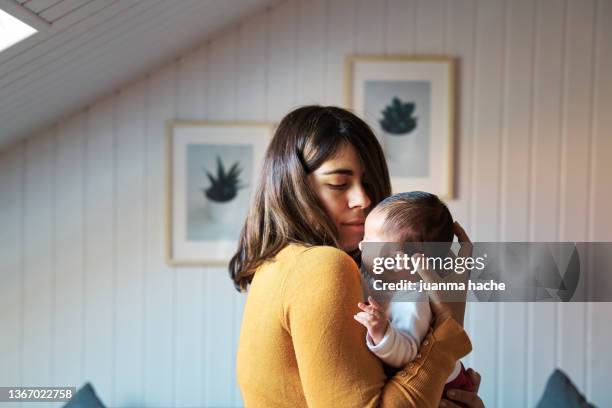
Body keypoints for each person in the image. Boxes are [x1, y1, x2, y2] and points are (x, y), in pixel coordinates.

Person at [230, 105, 484, 407]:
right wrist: (448, 323)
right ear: (293, 187)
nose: (363, 199)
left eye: (369, 183)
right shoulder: (321, 266)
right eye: (339, 183)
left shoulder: (277, 266)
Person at [354, 191, 476, 399]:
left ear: (398, 261)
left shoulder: (412, 299)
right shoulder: (381, 280)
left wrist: (381, 331)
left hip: (444, 389)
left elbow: (406, 354)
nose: (360, 245)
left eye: (368, 242)